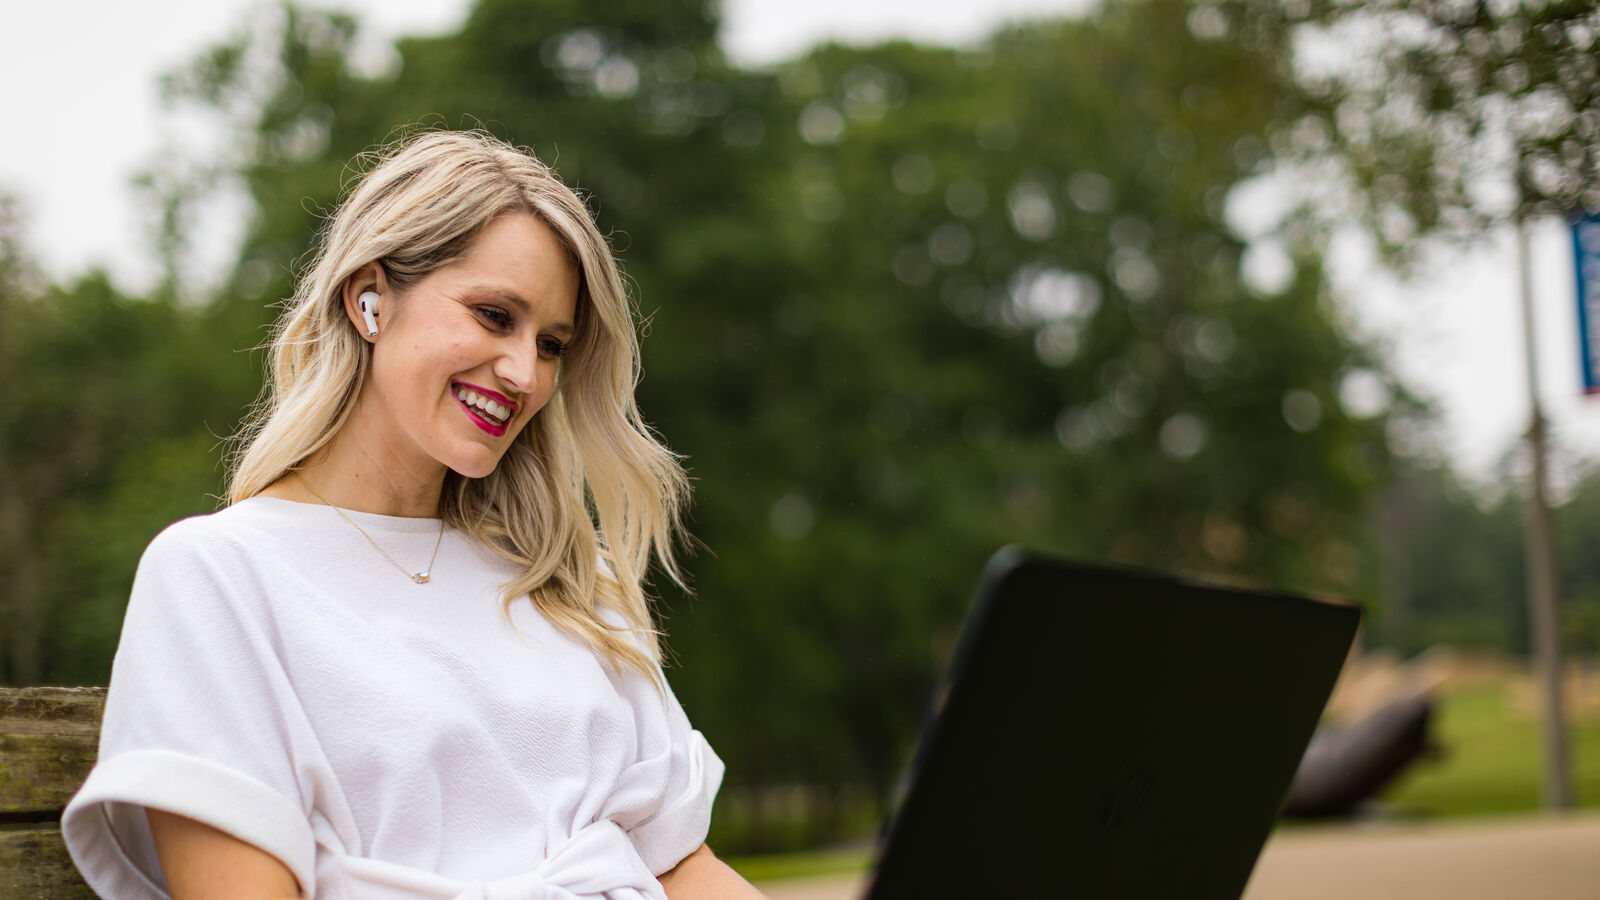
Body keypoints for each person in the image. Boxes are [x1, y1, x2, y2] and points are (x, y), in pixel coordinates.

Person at [62, 129, 764, 899]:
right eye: (496, 316)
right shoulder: (220, 576)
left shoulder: (567, 580)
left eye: (552, 343)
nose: (525, 372)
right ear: (369, 299)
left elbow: (682, 864)